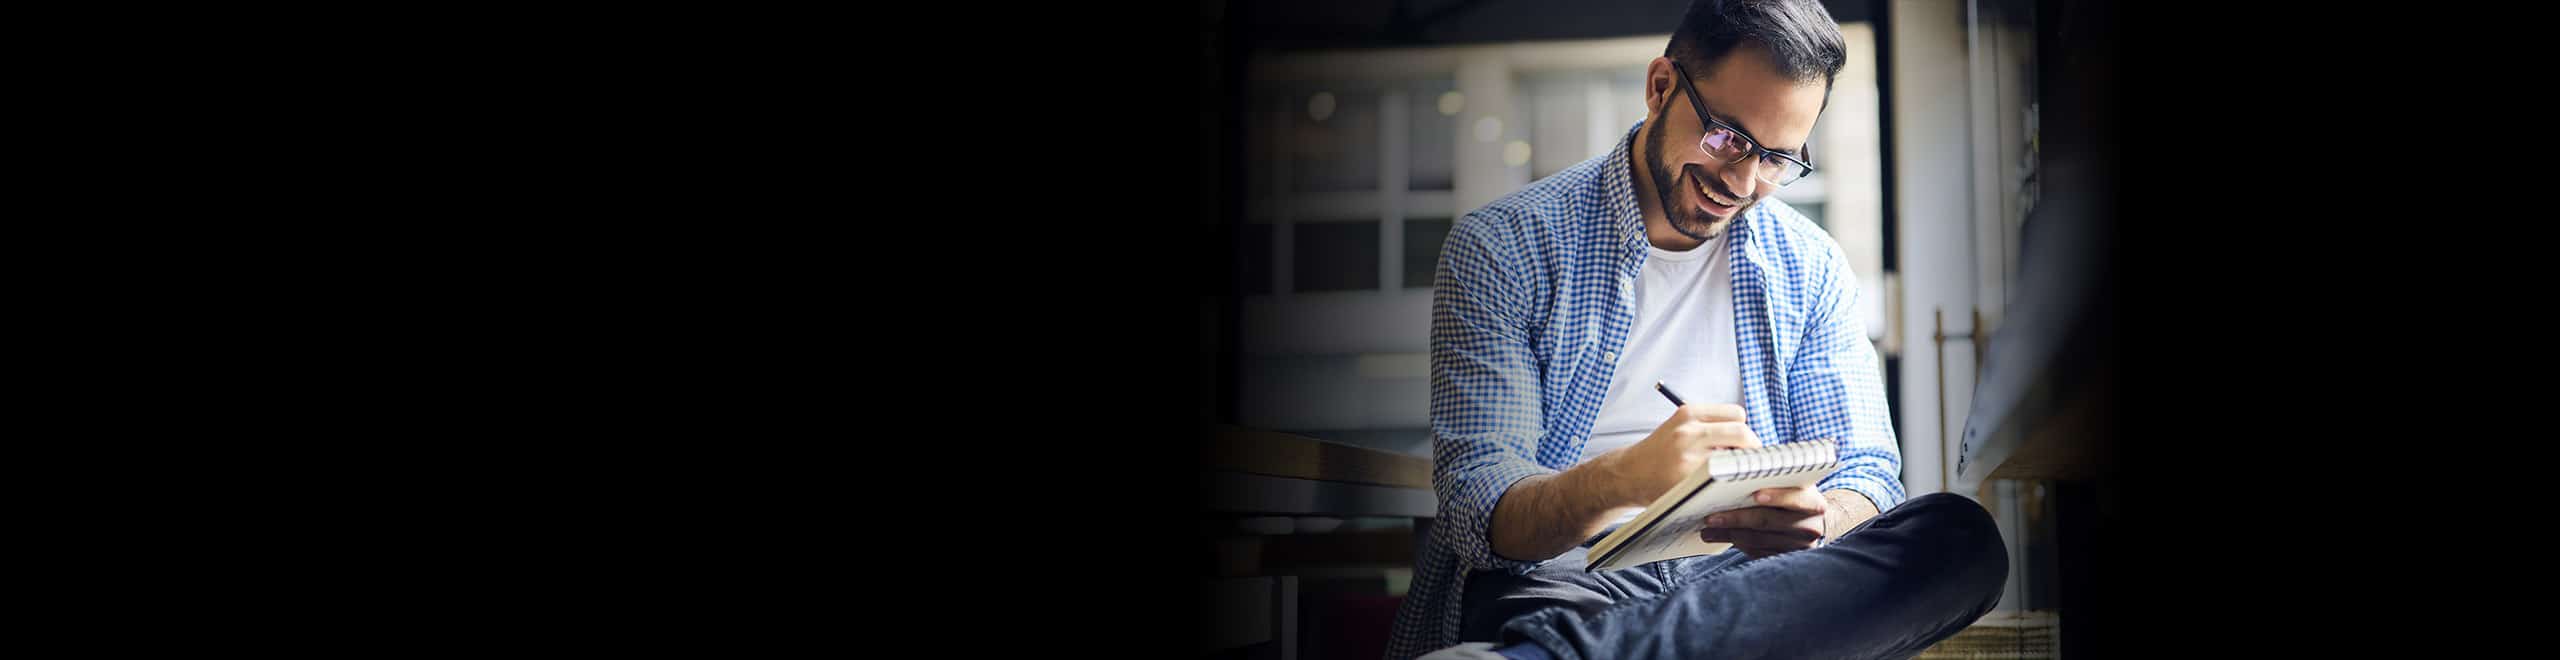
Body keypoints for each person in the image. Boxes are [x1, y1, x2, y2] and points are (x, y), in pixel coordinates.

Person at [1388, 1, 2008, 658]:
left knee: (1959, 539)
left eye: (1777, 158)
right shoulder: (1503, 247)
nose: (1742, 181)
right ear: (1660, 87)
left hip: (1741, 586)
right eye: (1728, 138)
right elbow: (1477, 509)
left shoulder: (1811, 266)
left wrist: (1823, 519)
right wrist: (1624, 479)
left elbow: (1868, 471)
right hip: (1567, 585)